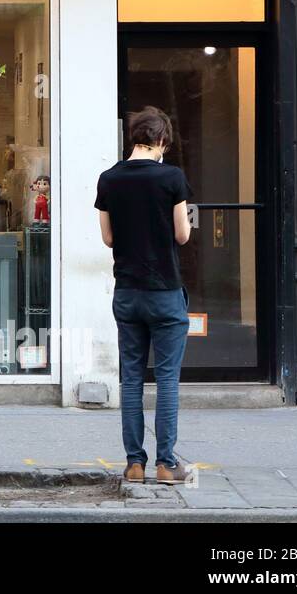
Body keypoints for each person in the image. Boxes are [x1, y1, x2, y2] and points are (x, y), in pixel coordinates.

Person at [94, 106, 193, 485]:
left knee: (131, 379)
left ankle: (134, 463)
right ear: (162, 141)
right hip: (165, 292)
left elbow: (108, 238)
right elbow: (182, 235)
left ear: (134, 138)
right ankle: (166, 464)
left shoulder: (109, 179)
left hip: (127, 292)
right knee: (167, 379)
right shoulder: (172, 178)